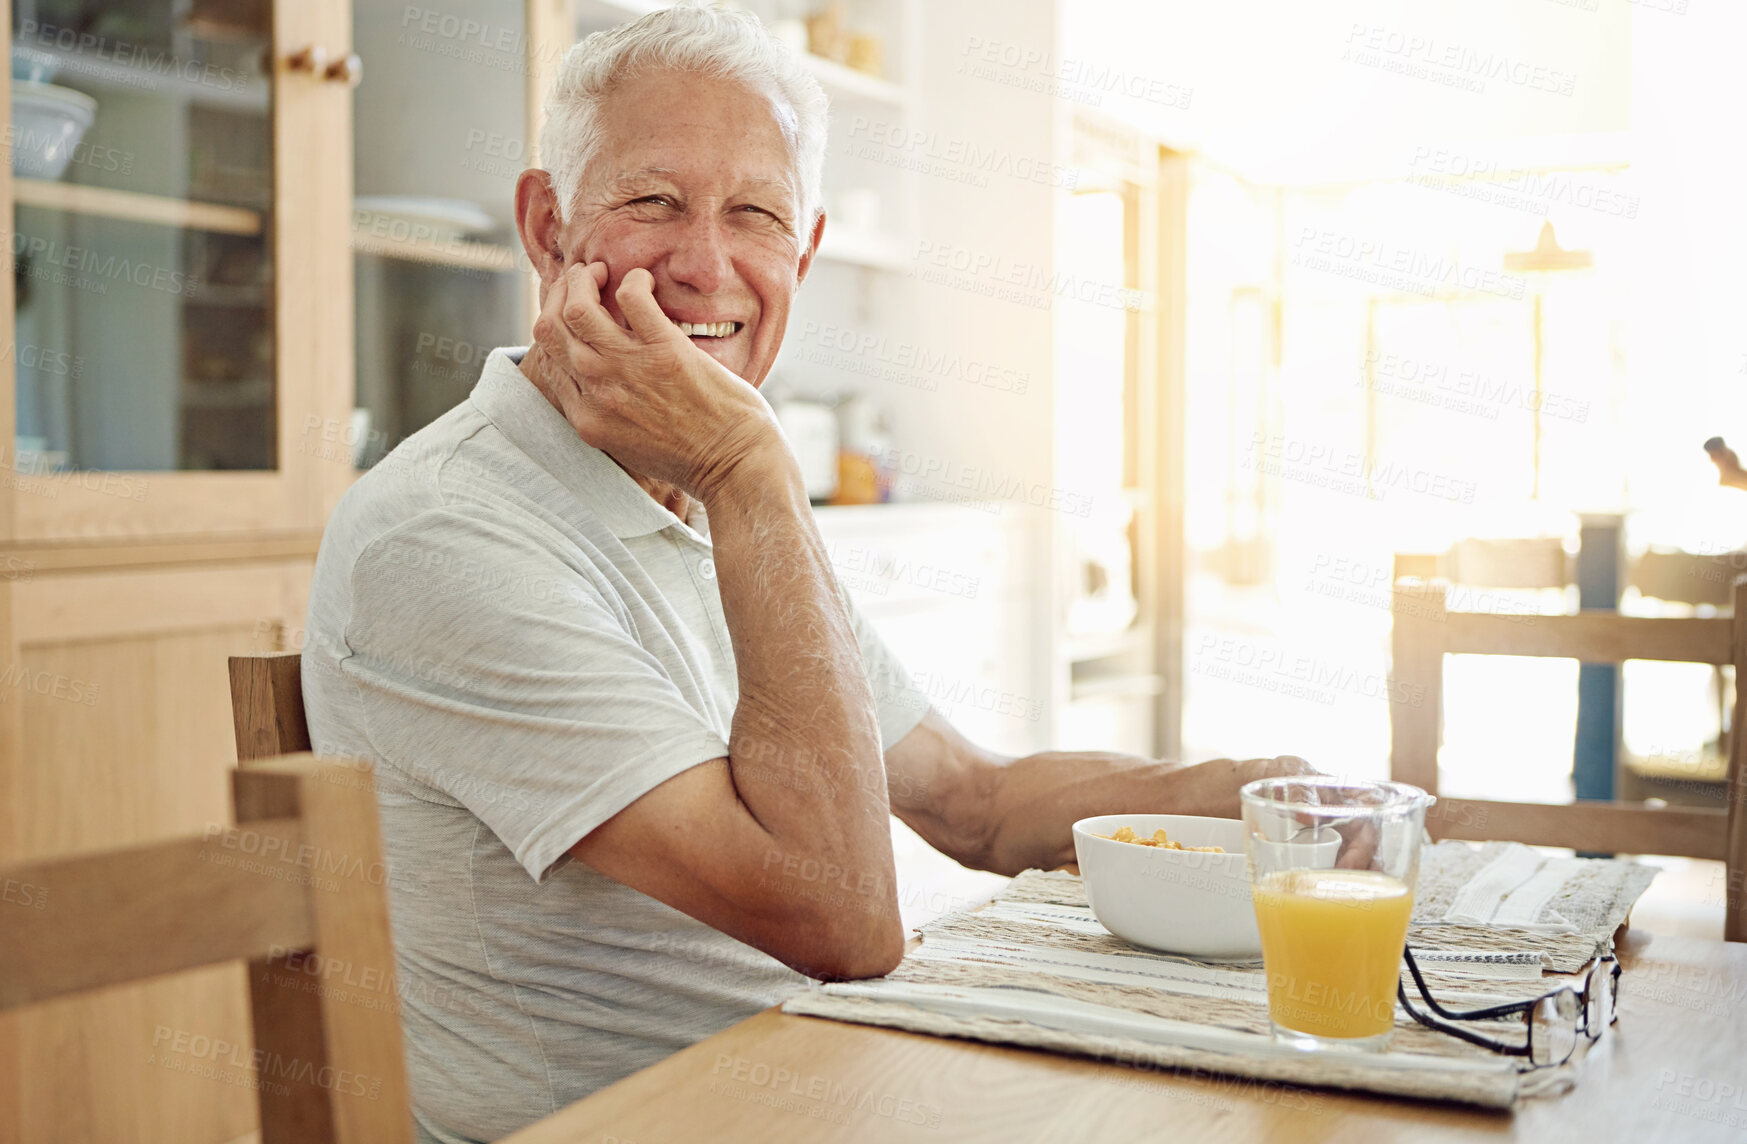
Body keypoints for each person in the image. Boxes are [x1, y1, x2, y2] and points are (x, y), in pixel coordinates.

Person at [301, 7, 1315, 1141]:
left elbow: (972, 804)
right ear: (547, 226)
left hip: (824, 1090)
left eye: (755, 215)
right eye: (651, 202)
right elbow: (842, 920)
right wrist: (751, 468)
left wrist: (1262, 790)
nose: (703, 263)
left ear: (805, 251)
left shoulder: (705, 499)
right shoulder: (447, 533)